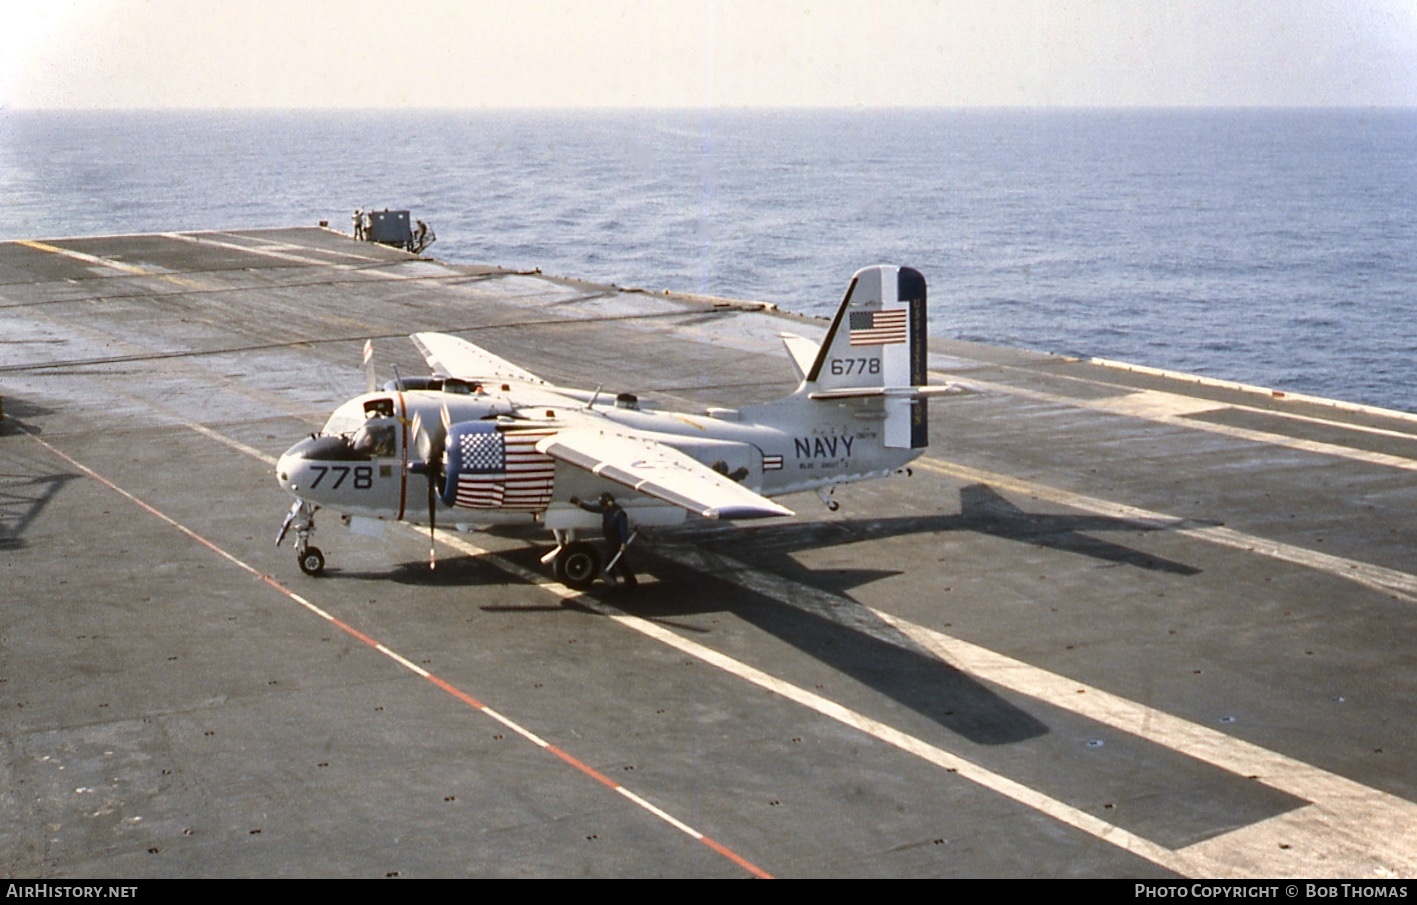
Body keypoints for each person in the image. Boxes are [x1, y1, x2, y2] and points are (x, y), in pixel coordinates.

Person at [570, 492, 637, 588]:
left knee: (609, 561)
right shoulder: (607, 509)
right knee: (620, 562)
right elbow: (593, 509)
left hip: (616, 542)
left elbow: (623, 529)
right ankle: (631, 582)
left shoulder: (619, 514)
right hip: (611, 540)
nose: (603, 508)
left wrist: (623, 543)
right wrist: (580, 504)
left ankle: (613, 583)